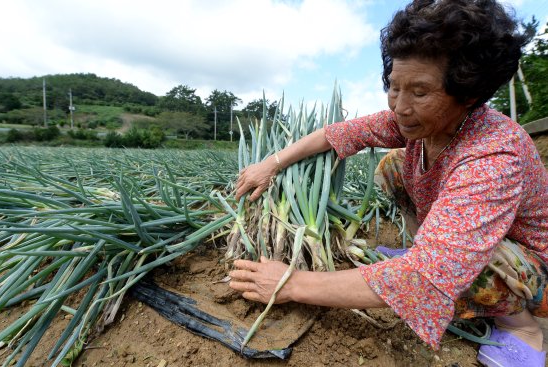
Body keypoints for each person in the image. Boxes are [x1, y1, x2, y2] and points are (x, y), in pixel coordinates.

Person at [228, 1, 548, 366]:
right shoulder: (416, 120)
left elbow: (428, 275)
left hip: (531, 267)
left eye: (420, 92)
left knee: (459, 259)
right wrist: (271, 163)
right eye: (394, 87)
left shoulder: (493, 154)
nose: (399, 106)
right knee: (394, 165)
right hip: (460, 247)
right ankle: (419, 253)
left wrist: (290, 284)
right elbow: (339, 133)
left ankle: (523, 329)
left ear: (468, 94)